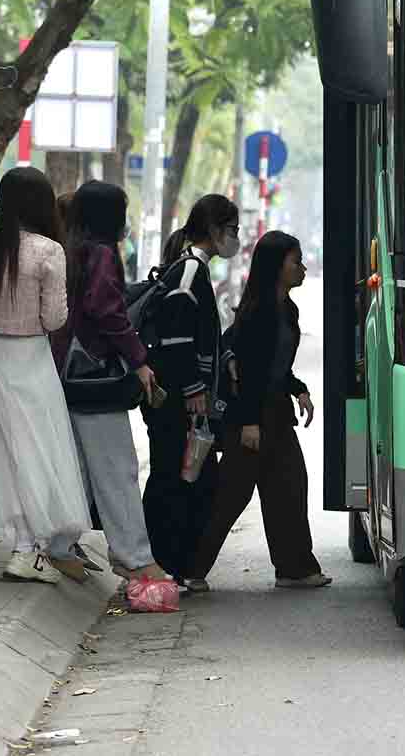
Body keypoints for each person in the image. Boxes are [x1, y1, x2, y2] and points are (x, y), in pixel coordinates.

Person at [0, 166, 89, 584]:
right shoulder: (48, 251)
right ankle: (24, 550)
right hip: (26, 358)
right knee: (29, 450)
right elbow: (54, 319)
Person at [186, 231, 329, 592]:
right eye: (295, 260)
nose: (302, 267)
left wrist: (299, 389)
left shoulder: (287, 309)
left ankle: (295, 569)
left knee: (290, 487)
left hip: (277, 415)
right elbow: (248, 372)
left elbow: (277, 367)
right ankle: (191, 568)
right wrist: (249, 421)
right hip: (249, 418)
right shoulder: (257, 313)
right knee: (231, 495)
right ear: (276, 266)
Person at [48, 181, 171, 586]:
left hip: (67, 374)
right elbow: (106, 310)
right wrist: (139, 361)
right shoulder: (101, 253)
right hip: (97, 378)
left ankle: (59, 545)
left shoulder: (72, 249)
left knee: (78, 468)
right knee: (118, 468)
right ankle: (134, 557)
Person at [142, 194, 239, 589]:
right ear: (215, 230)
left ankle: (176, 564)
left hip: (184, 400)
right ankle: (162, 563)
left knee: (192, 478)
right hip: (178, 402)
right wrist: (194, 387)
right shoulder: (189, 272)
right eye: (232, 230)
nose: (235, 238)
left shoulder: (193, 270)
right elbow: (177, 337)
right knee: (174, 478)